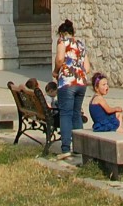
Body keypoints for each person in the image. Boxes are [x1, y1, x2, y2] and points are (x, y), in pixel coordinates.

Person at [52, 18, 91, 156]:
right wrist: (78, 73)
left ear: (61, 33)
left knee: (66, 113)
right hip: (81, 82)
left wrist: (56, 71)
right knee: (76, 113)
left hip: (66, 82)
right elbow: (87, 67)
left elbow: (60, 59)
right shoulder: (81, 44)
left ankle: (66, 147)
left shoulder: (62, 41)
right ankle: (79, 147)